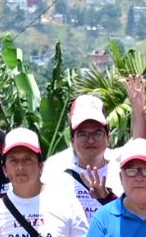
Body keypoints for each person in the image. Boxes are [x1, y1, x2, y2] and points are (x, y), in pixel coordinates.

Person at [42, 94, 119, 224]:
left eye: (97, 134)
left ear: (108, 137)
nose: (90, 140)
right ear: (72, 139)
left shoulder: (123, 173)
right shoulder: (57, 174)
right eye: (83, 134)